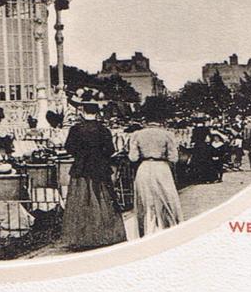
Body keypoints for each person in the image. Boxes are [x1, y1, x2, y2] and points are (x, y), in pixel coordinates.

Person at [61, 89, 126, 250]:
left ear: (83, 111)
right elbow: (110, 150)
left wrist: (80, 154)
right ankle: (102, 234)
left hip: (81, 168)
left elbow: (69, 147)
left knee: (80, 201)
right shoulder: (103, 130)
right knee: (102, 199)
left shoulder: (75, 129)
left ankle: (82, 236)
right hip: (99, 168)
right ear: (97, 113)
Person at [128, 103, 183, 237]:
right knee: (167, 199)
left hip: (144, 168)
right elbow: (174, 158)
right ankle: (165, 228)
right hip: (162, 169)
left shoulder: (137, 135)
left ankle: (148, 230)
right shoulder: (167, 135)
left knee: (145, 202)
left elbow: (133, 157)